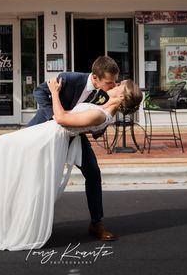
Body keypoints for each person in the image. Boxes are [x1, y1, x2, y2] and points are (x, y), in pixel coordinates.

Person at [0, 77, 143, 251]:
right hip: (47, 133)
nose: (115, 84)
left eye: (119, 84)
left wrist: (55, 93)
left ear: (122, 95)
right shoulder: (104, 109)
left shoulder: (101, 115)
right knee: (1, 153)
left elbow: (62, 119)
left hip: (48, 138)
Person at [27, 55, 121, 241]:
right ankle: (26, 221)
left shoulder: (105, 95)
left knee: (93, 173)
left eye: (115, 82)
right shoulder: (70, 78)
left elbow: (95, 126)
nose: (114, 86)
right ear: (95, 77)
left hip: (75, 137)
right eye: (110, 82)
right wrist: (54, 118)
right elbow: (39, 91)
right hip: (45, 131)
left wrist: (100, 125)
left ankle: (96, 223)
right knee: (31, 174)